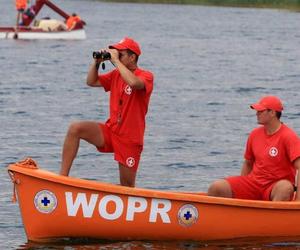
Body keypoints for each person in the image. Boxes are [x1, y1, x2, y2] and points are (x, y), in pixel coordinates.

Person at [59, 37, 154, 187]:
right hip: (111, 131)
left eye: (120, 54)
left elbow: (134, 83)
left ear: (132, 57)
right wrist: (96, 63)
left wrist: (115, 61)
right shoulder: (116, 75)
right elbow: (91, 81)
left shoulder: (146, 76)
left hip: (129, 139)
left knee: (127, 187)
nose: (116, 57)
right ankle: (62, 179)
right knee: (75, 129)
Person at [207, 95, 300, 201]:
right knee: (217, 187)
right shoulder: (254, 134)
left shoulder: (288, 136)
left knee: (285, 188)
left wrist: (298, 200)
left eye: (261, 111)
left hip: (275, 187)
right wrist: (241, 195)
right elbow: (248, 163)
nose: (257, 113)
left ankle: (272, 216)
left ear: (273, 113)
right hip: (255, 184)